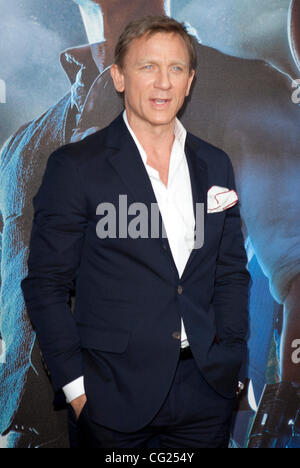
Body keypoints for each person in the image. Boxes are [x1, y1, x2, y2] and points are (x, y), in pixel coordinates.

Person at [21, 15, 250, 449]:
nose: (163, 82)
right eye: (148, 67)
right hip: (111, 397)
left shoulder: (216, 164)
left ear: (190, 81)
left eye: (176, 69)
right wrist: (77, 390)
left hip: (206, 394)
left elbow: (231, 271)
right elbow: (46, 286)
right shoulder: (76, 167)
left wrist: (231, 355)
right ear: (119, 77)